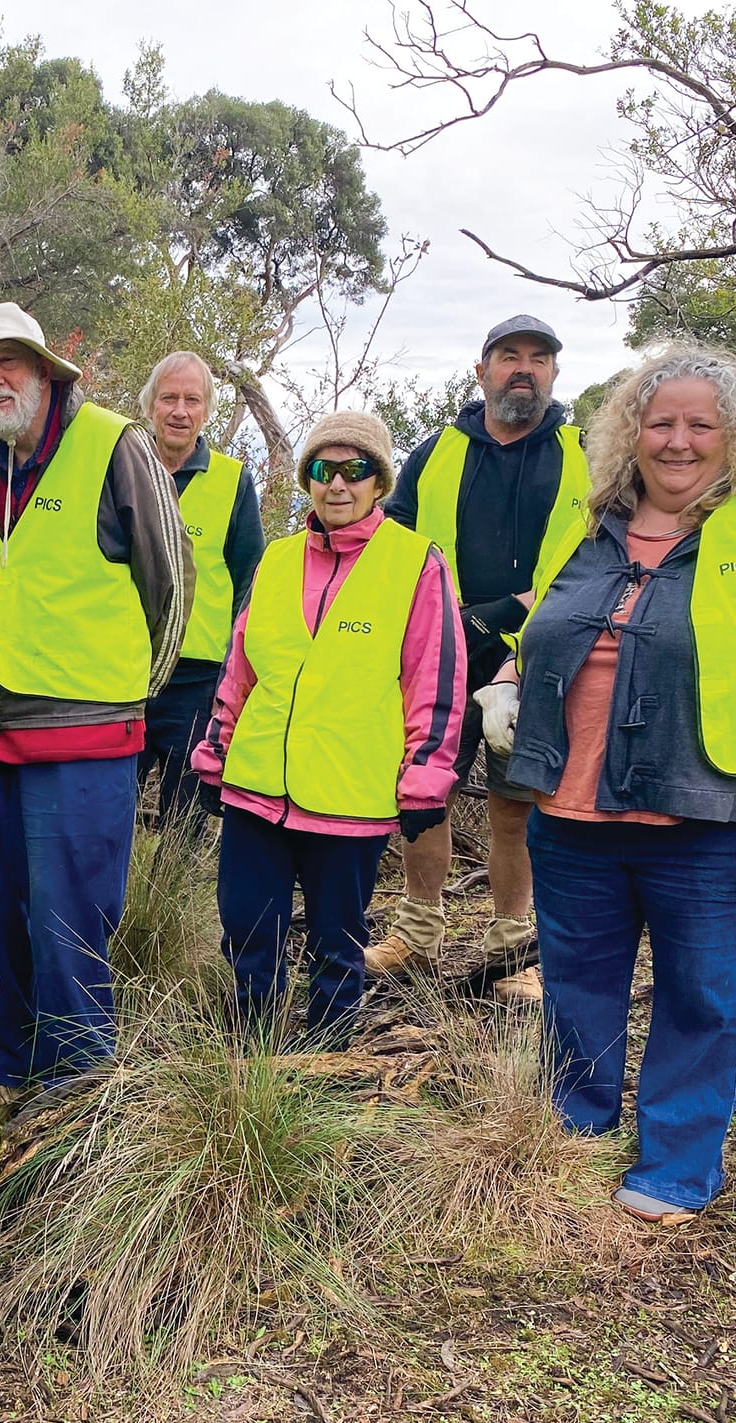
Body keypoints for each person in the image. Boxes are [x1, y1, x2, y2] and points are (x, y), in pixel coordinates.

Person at [481, 344, 736, 1222]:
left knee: (704, 995)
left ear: (735, 436)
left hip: (709, 815)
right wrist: (508, 682)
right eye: (662, 422)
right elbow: (546, 617)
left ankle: (677, 1166)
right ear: (631, 432)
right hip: (572, 810)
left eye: (702, 424)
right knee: (576, 980)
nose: (680, 441)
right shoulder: (588, 524)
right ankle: (573, 1129)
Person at [0, 302, 192, 1096]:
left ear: (46, 371)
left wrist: (128, 700)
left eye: (8, 361)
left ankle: (79, 1089)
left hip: (84, 741)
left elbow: (170, 585)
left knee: (68, 920)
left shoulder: (115, 445)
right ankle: (4, 1068)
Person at [192, 412, 463, 1038]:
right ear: (307, 479)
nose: (337, 485)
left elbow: (436, 678)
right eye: (322, 470)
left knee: (337, 942)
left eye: (355, 470)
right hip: (256, 786)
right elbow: (241, 666)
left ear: (380, 481)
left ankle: (327, 1060)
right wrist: (215, 749)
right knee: (247, 928)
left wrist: (425, 777)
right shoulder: (278, 559)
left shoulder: (416, 563)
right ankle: (249, 1054)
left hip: (349, 792)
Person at [374, 316, 592, 1001]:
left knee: (513, 805)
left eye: (537, 358)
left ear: (555, 374)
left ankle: (511, 950)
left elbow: (592, 558)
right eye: (508, 357)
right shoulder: (436, 450)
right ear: (481, 370)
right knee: (423, 795)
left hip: (533, 659)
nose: (522, 369)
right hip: (435, 656)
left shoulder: (584, 453)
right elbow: (393, 539)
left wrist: (499, 618)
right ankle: (416, 935)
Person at [137, 351, 264, 826]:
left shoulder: (233, 481)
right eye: (168, 397)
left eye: (192, 399)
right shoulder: (123, 466)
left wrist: (235, 672)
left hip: (197, 675)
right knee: (106, 804)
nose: (179, 410)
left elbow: (250, 581)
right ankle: (102, 900)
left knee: (183, 814)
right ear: (150, 405)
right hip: (122, 668)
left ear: (207, 410)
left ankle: (170, 900)